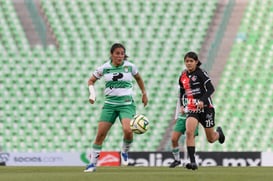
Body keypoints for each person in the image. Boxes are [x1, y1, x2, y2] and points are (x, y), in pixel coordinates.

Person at [84, 43, 148, 172]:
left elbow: (139, 79)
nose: (120, 56)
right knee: (100, 135)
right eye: (117, 53)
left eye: (122, 53)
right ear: (111, 54)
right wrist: (92, 94)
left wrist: (144, 93)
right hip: (109, 105)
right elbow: (91, 81)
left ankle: (124, 151)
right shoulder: (104, 68)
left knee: (128, 130)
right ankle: (92, 164)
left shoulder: (130, 67)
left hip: (126, 104)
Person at [178, 51, 225, 170]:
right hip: (193, 109)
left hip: (206, 109)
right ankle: (193, 162)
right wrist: (183, 105)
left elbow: (211, 89)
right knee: (189, 132)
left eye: (191, 61)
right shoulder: (183, 76)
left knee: (210, 138)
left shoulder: (201, 73)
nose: (189, 63)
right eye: (187, 61)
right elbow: (182, 92)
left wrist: (202, 100)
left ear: (196, 62)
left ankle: (218, 134)